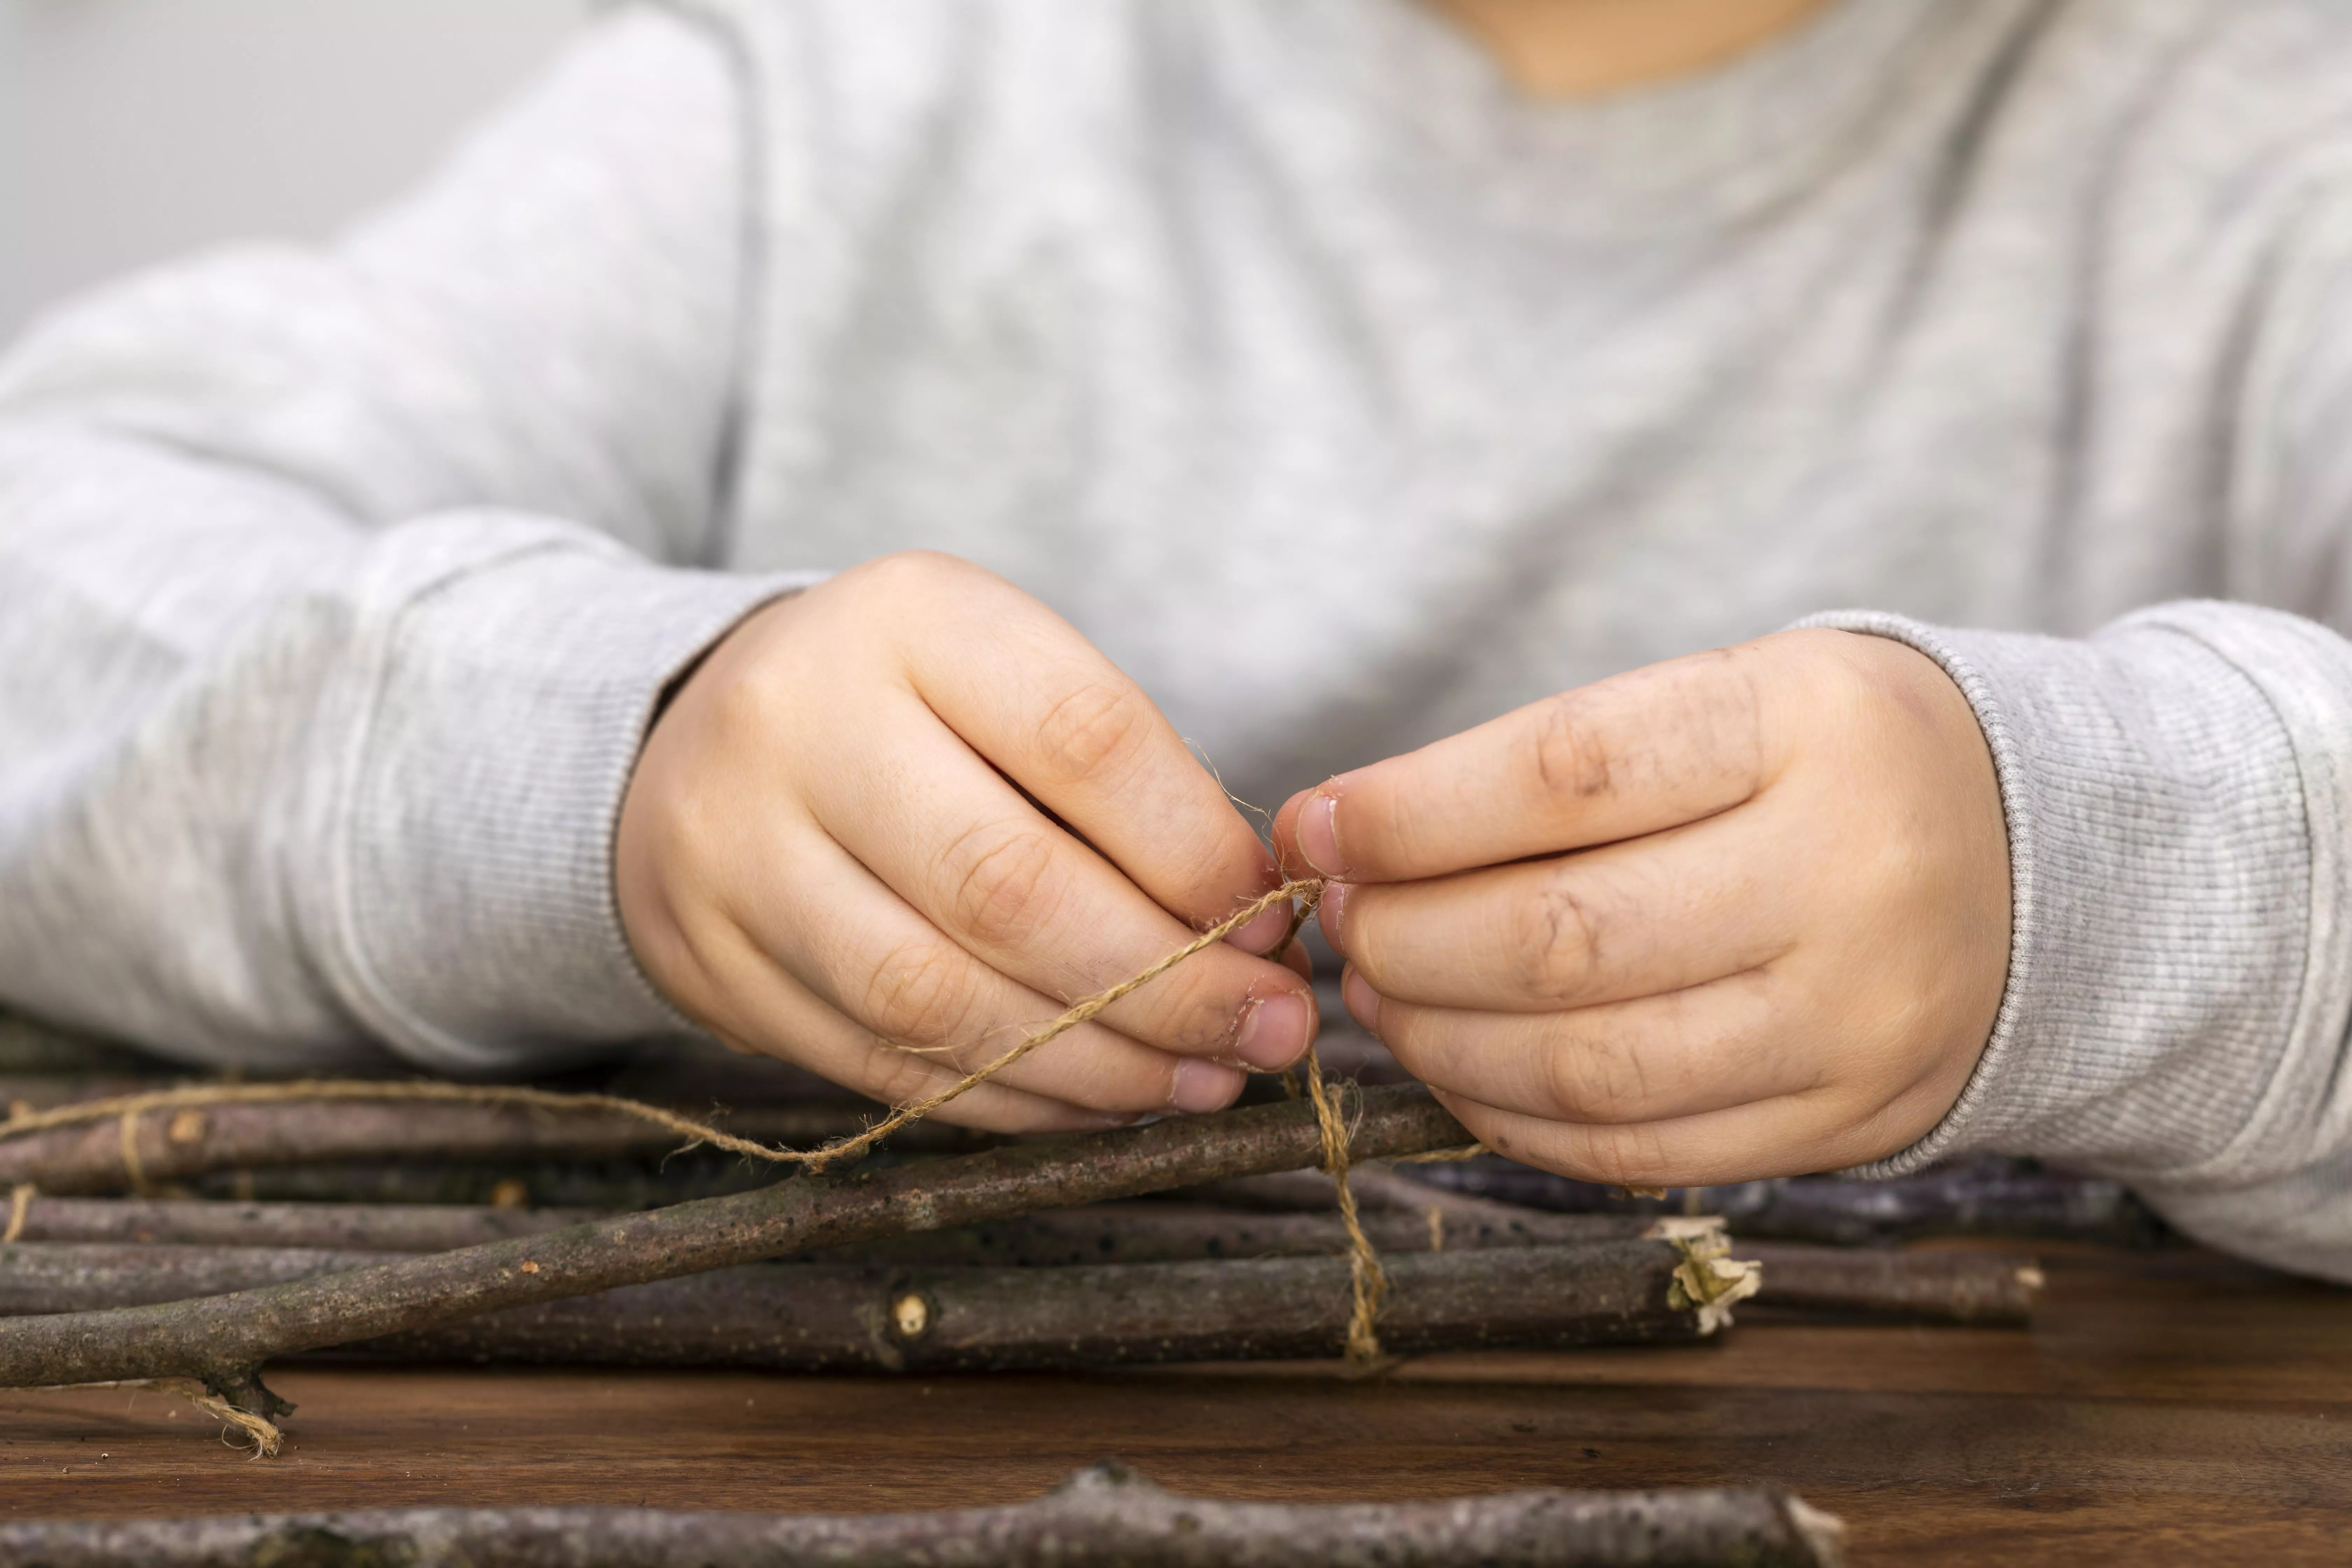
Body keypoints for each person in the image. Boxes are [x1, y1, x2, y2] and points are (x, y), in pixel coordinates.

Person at [2, 0, 2348, 1282]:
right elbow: (60, 565)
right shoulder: (842, 92)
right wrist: (614, 757)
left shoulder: (2272, 151)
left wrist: (2112, 887)